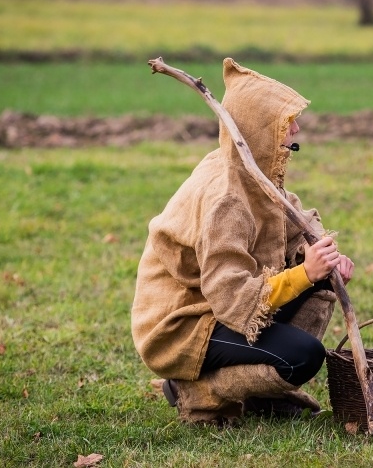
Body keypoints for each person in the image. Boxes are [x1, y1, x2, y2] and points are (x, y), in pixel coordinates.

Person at [131, 58, 354, 426]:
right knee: (303, 356)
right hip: (184, 325)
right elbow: (232, 299)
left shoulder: (256, 175)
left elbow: (295, 227)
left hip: (217, 306)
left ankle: (266, 396)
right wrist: (304, 273)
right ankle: (197, 392)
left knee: (318, 284)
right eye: (286, 122)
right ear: (257, 130)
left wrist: (326, 260)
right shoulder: (226, 200)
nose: (297, 128)